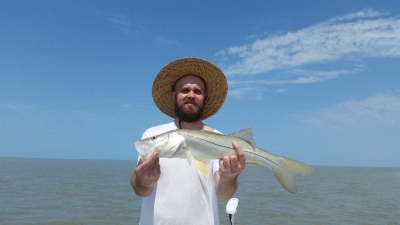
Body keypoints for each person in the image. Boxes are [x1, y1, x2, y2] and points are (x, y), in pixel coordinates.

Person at [131, 58, 245, 225]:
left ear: (204, 97)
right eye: (185, 90)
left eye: (197, 91)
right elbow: (141, 190)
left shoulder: (220, 138)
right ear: (174, 95)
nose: (191, 95)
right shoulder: (153, 134)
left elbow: (224, 194)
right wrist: (142, 180)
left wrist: (230, 177)